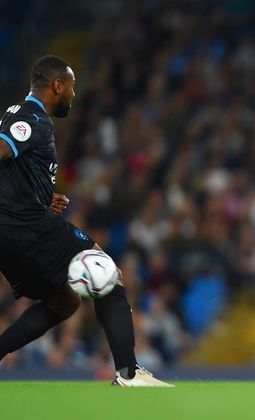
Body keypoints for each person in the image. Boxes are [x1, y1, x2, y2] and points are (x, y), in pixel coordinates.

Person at [0, 55, 173, 387]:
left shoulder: (16, 114)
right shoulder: (30, 118)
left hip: (11, 229)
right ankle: (129, 373)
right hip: (26, 227)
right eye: (72, 87)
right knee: (107, 274)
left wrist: (38, 197)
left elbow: (10, 172)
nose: (74, 96)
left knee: (64, 302)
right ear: (57, 86)